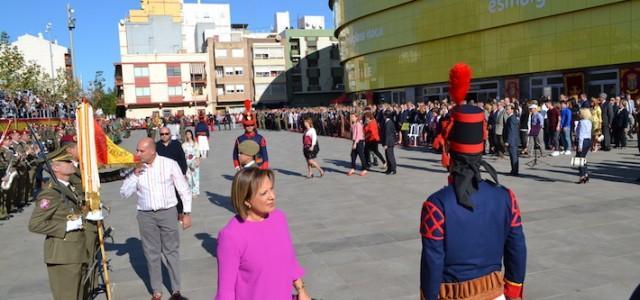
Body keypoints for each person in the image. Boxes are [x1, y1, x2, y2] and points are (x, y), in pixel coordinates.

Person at [422, 63, 526, 300]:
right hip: (497, 292)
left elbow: (432, 262)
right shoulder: (506, 196)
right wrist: (513, 291)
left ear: (449, 150)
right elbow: (517, 249)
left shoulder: (436, 205)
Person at [215, 168, 310, 300]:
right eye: (264, 193)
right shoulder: (231, 236)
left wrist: (301, 290)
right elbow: (226, 292)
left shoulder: (278, 218)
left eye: (271, 189)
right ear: (246, 200)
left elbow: (290, 261)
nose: (272, 196)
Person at [120, 138, 192, 300]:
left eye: (141, 151)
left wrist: (186, 213)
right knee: (151, 253)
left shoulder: (169, 164)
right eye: (137, 150)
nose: (137, 153)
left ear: (152, 150)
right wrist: (134, 176)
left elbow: (184, 189)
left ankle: (176, 290)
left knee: (171, 251)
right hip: (146, 216)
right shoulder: (135, 168)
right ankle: (157, 291)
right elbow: (124, 193)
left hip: (167, 213)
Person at [28, 147, 89, 300]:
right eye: (67, 161)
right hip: (63, 255)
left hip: (75, 252)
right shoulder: (50, 192)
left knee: (78, 295)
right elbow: (35, 224)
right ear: (55, 167)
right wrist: (67, 226)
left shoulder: (67, 187)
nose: (72, 162)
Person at [156, 127, 188, 216]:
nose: (164, 136)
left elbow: (182, 159)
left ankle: (180, 212)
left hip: (176, 174)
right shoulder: (157, 146)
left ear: (170, 134)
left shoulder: (176, 144)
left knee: (178, 193)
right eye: (162, 134)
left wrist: (183, 173)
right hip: (163, 175)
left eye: (166, 134)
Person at [233, 100, 269, 170]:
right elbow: (235, 153)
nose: (249, 127)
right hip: (244, 167)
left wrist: (264, 167)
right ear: (244, 126)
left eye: (252, 125)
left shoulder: (260, 138)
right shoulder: (239, 139)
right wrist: (236, 165)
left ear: (254, 125)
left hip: (258, 166)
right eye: (247, 125)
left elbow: (264, 154)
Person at [575, 108, 593, 184]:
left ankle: (582, 176)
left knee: (579, 160)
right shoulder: (589, 122)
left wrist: (579, 145)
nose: (578, 114)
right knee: (582, 158)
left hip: (582, 141)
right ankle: (586, 174)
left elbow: (581, 134)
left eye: (580, 113)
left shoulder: (581, 122)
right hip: (588, 140)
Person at [182, 130, 200, 198]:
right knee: (188, 178)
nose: (188, 135)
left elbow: (198, 152)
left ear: (191, 135)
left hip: (194, 161)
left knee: (195, 178)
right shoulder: (183, 145)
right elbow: (182, 154)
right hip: (187, 162)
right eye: (187, 134)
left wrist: (198, 159)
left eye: (189, 134)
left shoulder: (195, 143)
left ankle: (195, 192)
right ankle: (190, 191)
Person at [504, 104, 521, 176]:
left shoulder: (512, 118)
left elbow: (512, 131)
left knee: (514, 156)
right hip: (513, 140)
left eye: (507, 109)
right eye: (506, 109)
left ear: (512, 110)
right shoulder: (511, 118)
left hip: (512, 141)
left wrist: (508, 141)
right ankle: (513, 170)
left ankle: (515, 171)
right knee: (512, 156)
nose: (506, 111)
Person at [382, 109, 397, 175]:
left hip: (389, 143)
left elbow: (388, 134)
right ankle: (389, 169)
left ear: (386, 116)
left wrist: (386, 144)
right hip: (390, 142)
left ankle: (393, 169)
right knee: (387, 156)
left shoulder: (388, 123)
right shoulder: (388, 121)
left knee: (390, 156)